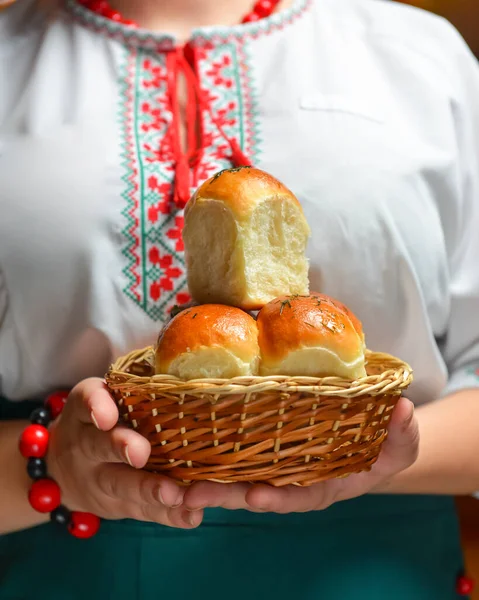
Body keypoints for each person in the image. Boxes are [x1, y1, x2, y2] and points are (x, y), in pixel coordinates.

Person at [0, 0, 478, 598]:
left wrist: (365, 453)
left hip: (373, 571)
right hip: (69, 562)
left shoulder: (418, 55)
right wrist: (53, 468)